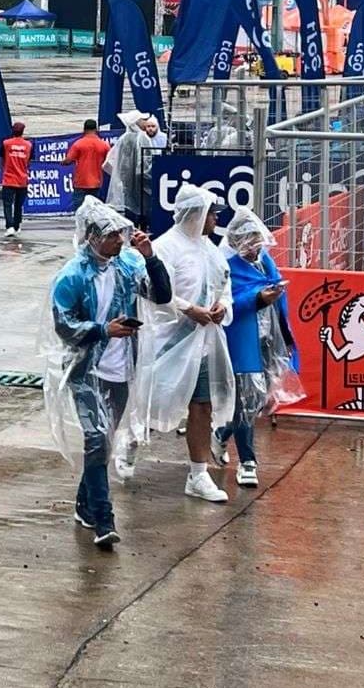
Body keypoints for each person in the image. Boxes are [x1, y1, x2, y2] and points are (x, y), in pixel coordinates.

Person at [41, 198, 172, 550]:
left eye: (121, 234)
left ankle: (84, 506)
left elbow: (162, 295)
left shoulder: (128, 265)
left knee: (104, 443)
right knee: (97, 440)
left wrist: (150, 257)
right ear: (92, 237)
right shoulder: (71, 277)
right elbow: (64, 325)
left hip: (120, 370)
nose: (120, 240)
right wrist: (103, 330)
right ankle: (104, 520)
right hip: (87, 370)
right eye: (113, 234)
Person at [129, 184, 235, 501]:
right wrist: (190, 310)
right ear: (195, 214)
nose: (216, 219)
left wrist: (222, 307)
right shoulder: (167, 248)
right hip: (170, 341)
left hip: (202, 343)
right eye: (212, 213)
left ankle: (198, 475)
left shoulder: (210, 250)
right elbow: (160, 295)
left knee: (201, 406)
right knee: (152, 400)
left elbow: (224, 286)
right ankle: (130, 440)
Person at [213, 211, 303, 488]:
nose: (256, 247)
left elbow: (277, 290)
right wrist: (257, 298)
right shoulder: (226, 267)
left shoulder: (265, 261)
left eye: (258, 241)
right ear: (238, 241)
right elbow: (227, 306)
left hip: (269, 339)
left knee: (258, 400)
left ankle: (221, 433)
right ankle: (248, 461)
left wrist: (285, 333)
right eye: (250, 242)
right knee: (245, 400)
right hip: (244, 340)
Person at [102, 111, 145, 222]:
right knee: (138, 209)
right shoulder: (137, 139)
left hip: (128, 181)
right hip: (136, 181)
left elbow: (109, 162)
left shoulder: (124, 139)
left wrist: (120, 177)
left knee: (130, 207)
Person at [61, 118, 112, 209]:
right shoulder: (104, 145)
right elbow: (110, 161)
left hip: (81, 182)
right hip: (97, 182)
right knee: (95, 210)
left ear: (84, 129)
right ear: (96, 129)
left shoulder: (78, 144)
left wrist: (63, 162)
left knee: (80, 209)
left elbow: (68, 160)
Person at [1, 121, 32, 237]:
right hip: (22, 180)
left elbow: (2, 159)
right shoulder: (28, 145)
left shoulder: (6, 143)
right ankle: (17, 225)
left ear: (13, 131)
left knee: (7, 204)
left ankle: (9, 226)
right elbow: (29, 161)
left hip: (9, 179)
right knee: (19, 205)